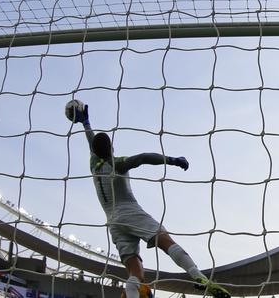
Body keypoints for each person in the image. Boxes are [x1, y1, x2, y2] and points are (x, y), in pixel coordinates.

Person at [71, 104, 230, 298]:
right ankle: (199, 277)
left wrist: (86, 123)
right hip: (130, 212)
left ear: (94, 151)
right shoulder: (118, 163)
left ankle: (131, 295)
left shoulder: (94, 165)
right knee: (165, 240)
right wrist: (172, 160)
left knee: (136, 273)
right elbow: (144, 157)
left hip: (113, 223)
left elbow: (93, 143)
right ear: (111, 147)